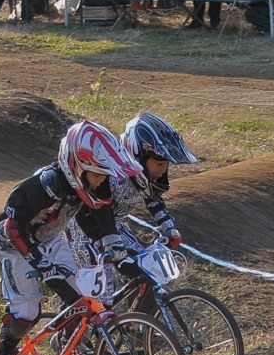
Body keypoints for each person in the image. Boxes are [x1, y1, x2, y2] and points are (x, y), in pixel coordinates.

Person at [0, 120, 142, 355]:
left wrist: (113, 246)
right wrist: (40, 263)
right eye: (97, 175)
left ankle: (69, 348)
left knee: (79, 296)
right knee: (27, 311)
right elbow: (12, 227)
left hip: (51, 240)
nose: (101, 181)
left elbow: (103, 215)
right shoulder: (43, 186)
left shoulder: (92, 183)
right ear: (77, 167)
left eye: (105, 175)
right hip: (16, 244)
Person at [67, 113, 197, 307]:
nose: (163, 171)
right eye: (159, 164)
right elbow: (99, 208)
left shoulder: (142, 177)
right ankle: (78, 334)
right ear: (137, 157)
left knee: (147, 274)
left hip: (115, 229)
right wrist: (109, 243)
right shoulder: (111, 173)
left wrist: (168, 227)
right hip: (85, 232)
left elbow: (153, 200)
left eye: (166, 165)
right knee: (103, 296)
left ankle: (141, 329)